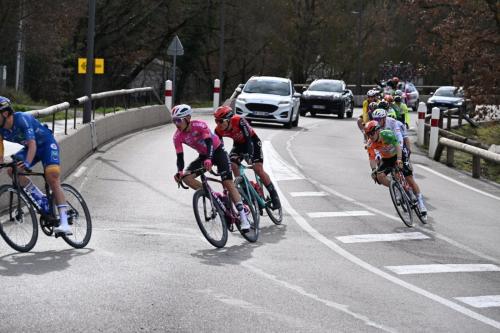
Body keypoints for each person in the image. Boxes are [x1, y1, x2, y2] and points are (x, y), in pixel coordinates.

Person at [171, 104, 250, 232]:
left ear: (188, 118)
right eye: (174, 120)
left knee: (227, 182)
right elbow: (180, 157)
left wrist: (209, 158)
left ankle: (243, 216)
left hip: (217, 151)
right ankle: (215, 196)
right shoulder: (177, 136)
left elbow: (209, 143)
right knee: (186, 177)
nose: (176, 123)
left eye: (178, 120)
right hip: (203, 155)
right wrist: (179, 172)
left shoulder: (200, 125)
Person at [0, 96, 72, 235]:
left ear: (5, 113)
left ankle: (64, 221)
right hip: (29, 149)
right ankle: (41, 198)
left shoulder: (21, 119)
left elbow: (32, 144)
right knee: (12, 170)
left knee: (52, 176)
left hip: (45, 145)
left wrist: (27, 163)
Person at [213, 105, 281, 209]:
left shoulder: (239, 121)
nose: (218, 124)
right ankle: (246, 192)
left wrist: (249, 155)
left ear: (229, 119)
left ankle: (274, 195)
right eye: (216, 121)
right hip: (238, 145)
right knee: (233, 165)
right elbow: (219, 148)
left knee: (258, 168)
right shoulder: (218, 130)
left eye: (221, 121)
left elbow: (249, 139)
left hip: (252, 142)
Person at [369, 110, 428, 215]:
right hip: (387, 154)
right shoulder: (374, 132)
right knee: (380, 175)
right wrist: (374, 169)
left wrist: (400, 158)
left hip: (398, 149)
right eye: (375, 119)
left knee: (409, 177)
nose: (377, 121)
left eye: (379, 119)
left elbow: (399, 139)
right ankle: (397, 187)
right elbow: (373, 154)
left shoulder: (392, 123)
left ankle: (421, 203)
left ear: (384, 118)